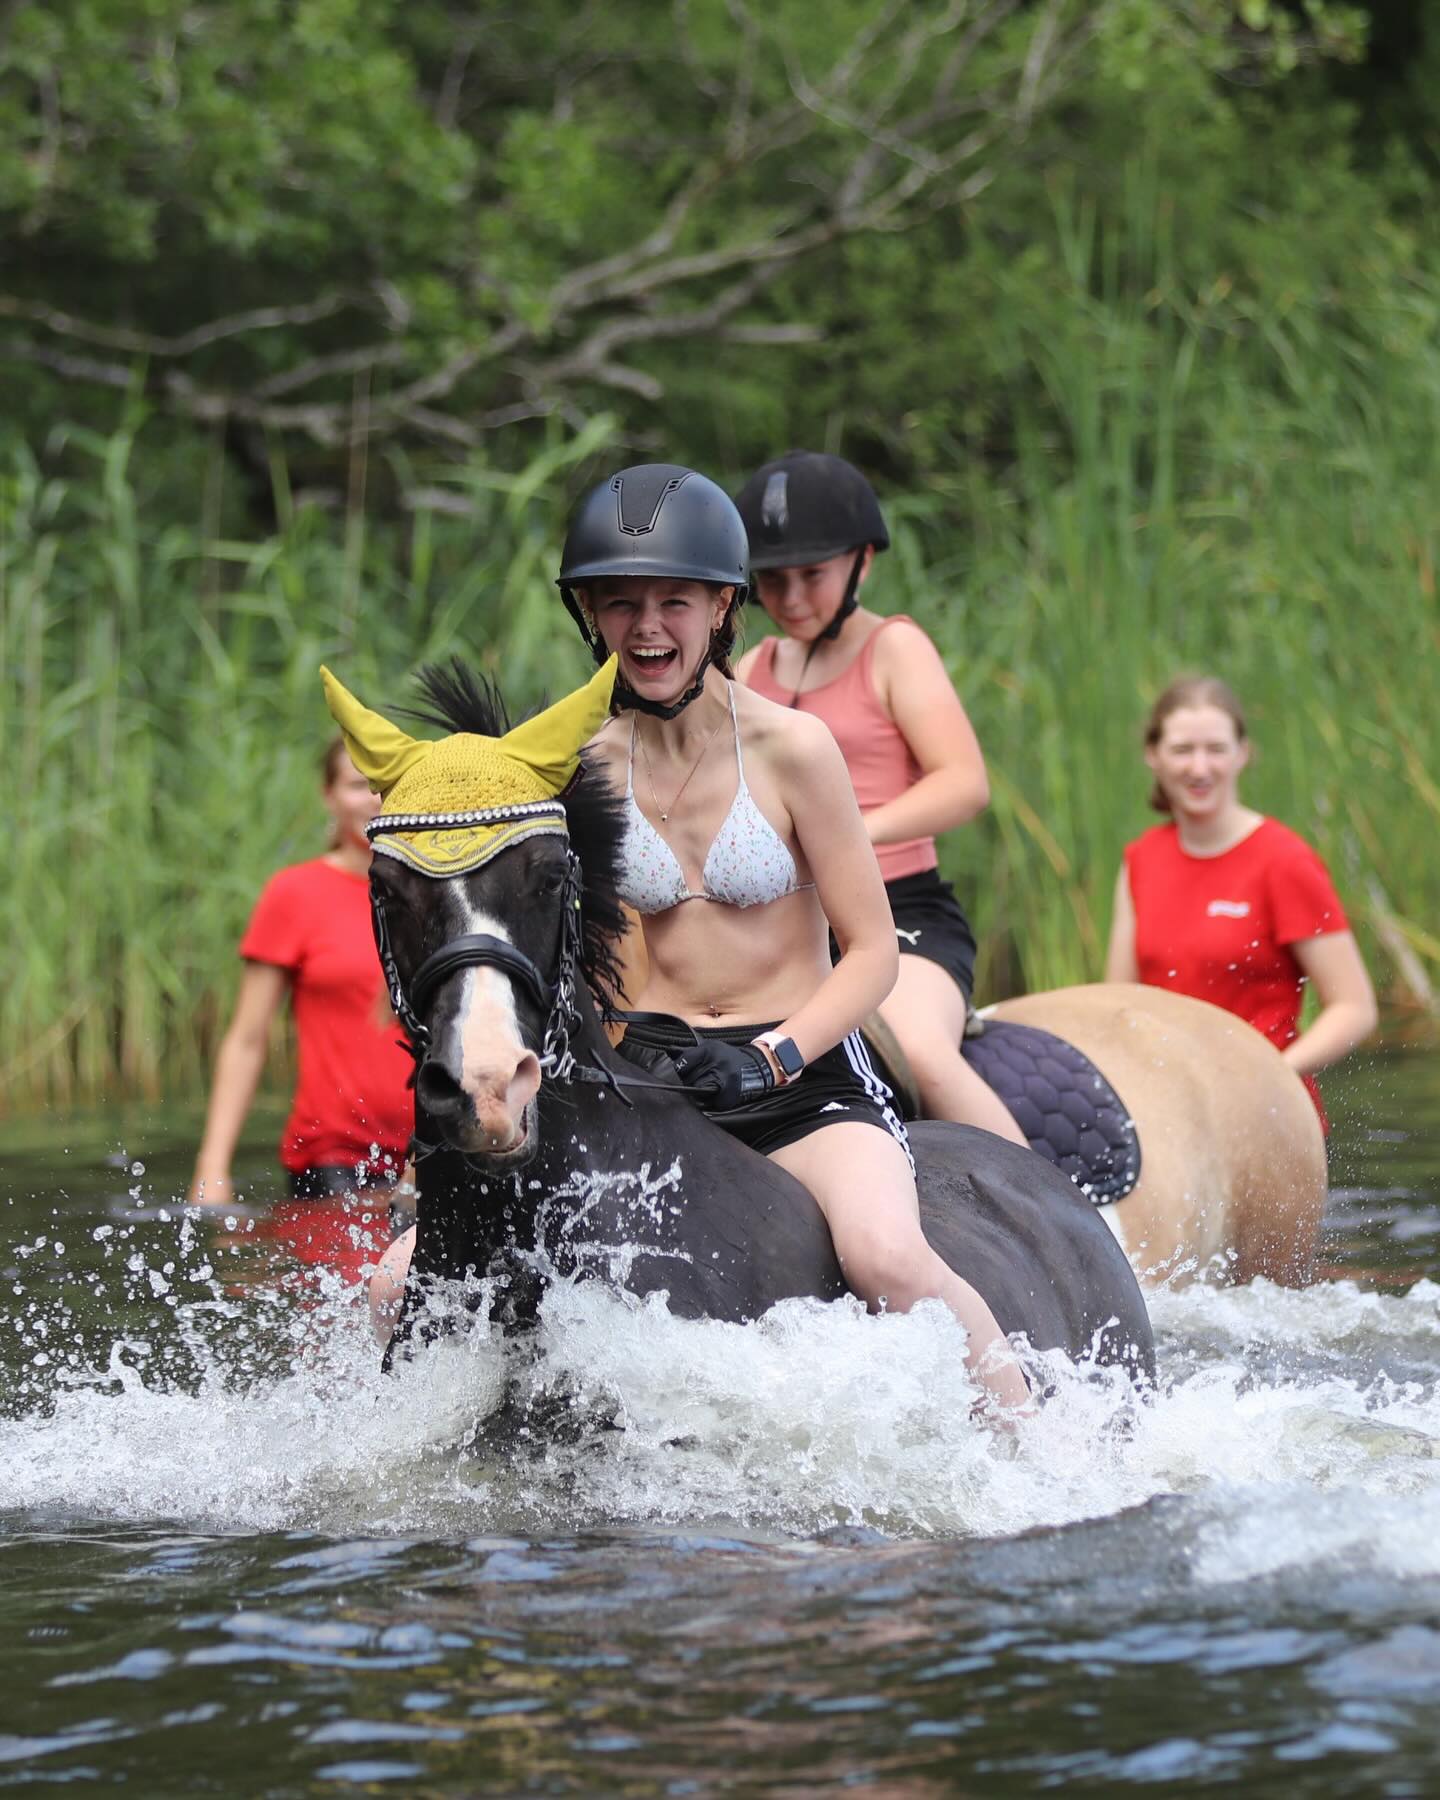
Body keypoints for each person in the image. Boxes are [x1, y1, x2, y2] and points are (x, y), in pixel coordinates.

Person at [556, 461, 1032, 1416]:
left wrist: (775, 1055)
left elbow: (872, 953)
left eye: (673, 602)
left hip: (800, 1077)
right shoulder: (578, 765)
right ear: (590, 617)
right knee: (426, 1263)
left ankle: (1046, 1447)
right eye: (620, 604)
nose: (646, 627)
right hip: (655, 1074)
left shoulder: (794, 749)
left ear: (723, 610)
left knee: (887, 1258)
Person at [733, 450, 1025, 1146]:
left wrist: (852, 834)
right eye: (774, 580)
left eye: (813, 575)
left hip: (901, 914)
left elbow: (963, 782)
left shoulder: (893, 650)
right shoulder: (751, 668)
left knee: (918, 1048)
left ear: (862, 562)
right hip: (793, 926)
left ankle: (1064, 1226)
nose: (793, 597)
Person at [1104, 674, 1377, 1127]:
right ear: (1153, 756)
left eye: (1215, 749)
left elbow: (1354, 1008)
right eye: (1182, 750)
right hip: (1171, 1113)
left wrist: (1270, 1075)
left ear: (1242, 754)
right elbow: (1118, 1004)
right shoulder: (1140, 860)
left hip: (1270, 1111)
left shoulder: (1284, 861)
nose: (1199, 767)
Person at [188, 738, 415, 1219]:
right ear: (328, 795)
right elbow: (247, 1041)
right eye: (357, 786)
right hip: (338, 1161)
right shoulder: (296, 894)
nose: (374, 800)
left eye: (384, 786)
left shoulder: (437, 890)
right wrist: (213, 1167)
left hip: (436, 1155)